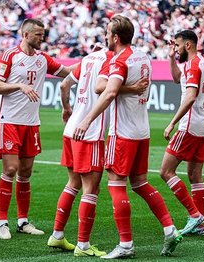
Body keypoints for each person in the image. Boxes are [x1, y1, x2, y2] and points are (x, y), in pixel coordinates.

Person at [74, 15, 182, 259]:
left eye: (108, 34)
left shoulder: (120, 60)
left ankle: (125, 244)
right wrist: (129, 89)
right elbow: (104, 87)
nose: (106, 37)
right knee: (141, 183)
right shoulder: (142, 57)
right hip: (142, 130)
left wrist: (87, 119)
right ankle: (170, 228)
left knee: (115, 184)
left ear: (115, 37)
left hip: (122, 133)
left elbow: (108, 91)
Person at [47, 45, 148, 256]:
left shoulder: (88, 58)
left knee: (73, 183)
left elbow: (64, 86)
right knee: (90, 189)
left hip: (71, 128)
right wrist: (132, 88)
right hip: (89, 132)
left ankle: (57, 235)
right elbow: (107, 90)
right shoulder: (113, 59)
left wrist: (67, 108)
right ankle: (83, 245)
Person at [0, 19, 74, 240]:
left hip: (31, 123)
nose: (42, 38)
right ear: (25, 35)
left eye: (43, 34)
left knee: (25, 173)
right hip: (9, 121)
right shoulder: (10, 56)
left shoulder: (42, 59)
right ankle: (2, 222)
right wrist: (19, 85)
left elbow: (68, 72)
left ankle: (22, 221)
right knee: (10, 169)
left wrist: (93, 61)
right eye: (38, 34)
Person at [159, 30, 204, 236]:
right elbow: (176, 79)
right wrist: (171, 59)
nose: (176, 49)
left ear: (188, 45)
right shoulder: (203, 62)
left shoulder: (193, 65)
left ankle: (195, 215)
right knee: (194, 175)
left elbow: (189, 97)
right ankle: (200, 225)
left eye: (178, 46)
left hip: (189, 125)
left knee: (165, 171)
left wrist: (172, 123)